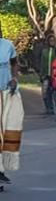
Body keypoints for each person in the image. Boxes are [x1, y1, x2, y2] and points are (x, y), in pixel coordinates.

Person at [0, 23, 22, 185]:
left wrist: (14, 78)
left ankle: (1, 169)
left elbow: (15, 63)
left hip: (7, 91)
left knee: (7, 130)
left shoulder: (7, 45)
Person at [39, 33, 56, 115]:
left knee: (54, 92)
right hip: (46, 75)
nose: (52, 42)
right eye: (50, 40)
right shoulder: (44, 51)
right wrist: (41, 74)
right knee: (45, 92)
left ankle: (54, 108)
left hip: (54, 75)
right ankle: (48, 108)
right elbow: (42, 63)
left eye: (53, 40)